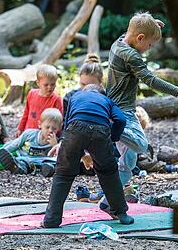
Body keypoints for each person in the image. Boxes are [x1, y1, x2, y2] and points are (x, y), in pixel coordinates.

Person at [104, 12, 178, 202]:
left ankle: (108, 202)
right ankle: (107, 128)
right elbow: (151, 80)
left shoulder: (118, 43)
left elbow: (133, 28)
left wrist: (150, 25)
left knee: (128, 163)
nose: (149, 48)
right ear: (140, 38)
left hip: (114, 107)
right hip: (122, 112)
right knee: (141, 144)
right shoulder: (131, 55)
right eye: (149, 44)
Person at [42, 85, 133, 228]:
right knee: (109, 172)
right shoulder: (106, 100)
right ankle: (122, 214)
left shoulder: (75, 96)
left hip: (75, 128)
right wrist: (113, 137)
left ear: (85, 91)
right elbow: (120, 120)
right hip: (100, 130)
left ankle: (51, 219)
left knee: (63, 174)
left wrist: (66, 143)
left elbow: (68, 122)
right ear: (102, 93)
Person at [0, 108, 62, 174]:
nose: (50, 130)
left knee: (49, 163)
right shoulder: (30, 134)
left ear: (58, 129)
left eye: (54, 128)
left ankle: (21, 169)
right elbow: (14, 145)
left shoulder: (55, 142)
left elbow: (54, 158)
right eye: (47, 127)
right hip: (21, 156)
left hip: (35, 163)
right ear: (40, 125)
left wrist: (54, 146)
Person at [15, 64, 63, 137]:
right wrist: (20, 128)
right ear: (38, 83)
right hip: (28, 132)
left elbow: (59, 120)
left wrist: (57, 137)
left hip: (45, 135)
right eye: (46, 85)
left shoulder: (56, 99)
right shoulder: (32, 94)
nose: (49, 87)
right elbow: (26, 113)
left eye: (52, 84)